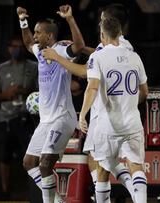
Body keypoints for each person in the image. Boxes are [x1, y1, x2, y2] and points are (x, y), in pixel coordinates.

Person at [42, 3, 139, 201]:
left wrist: (57, 57)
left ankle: (130, 192)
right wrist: (84, 47)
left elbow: (85, 72)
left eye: (103, 18)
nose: (99, 22)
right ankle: (112, 194)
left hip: (104, 112)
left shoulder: (107, 50)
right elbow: (98, 53)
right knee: (98, 160)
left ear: (112, 23)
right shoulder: (124, 46)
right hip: (122, 113)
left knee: (101, 161)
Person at [17, 4, 85, 203]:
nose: (35, 36)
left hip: (62, 117)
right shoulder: (40, 50)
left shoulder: (61, 50)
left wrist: (70, 19)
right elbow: (28, 42)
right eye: (35, 32)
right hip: (45, 120)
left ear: (49, 36)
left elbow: (79, 46)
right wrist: (23, 20)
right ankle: (58, 200)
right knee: (29, 163)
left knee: (46, 164)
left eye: (39, 32)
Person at [79, 17, 148, 203]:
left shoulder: (98, 57)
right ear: (120, 33)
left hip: (108, 125)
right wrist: (130, 103)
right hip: (132, 123)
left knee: (102, 171)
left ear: (102, 35)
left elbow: (92, 87)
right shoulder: (135, 57)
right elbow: (144, 92)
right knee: (136, 167)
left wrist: (83, 114)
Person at [0, 36, 38, 198]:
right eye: (14, 46)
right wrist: (6, 94)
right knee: (4, 156)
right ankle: (5, 190)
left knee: (30, 155)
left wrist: (26, 91)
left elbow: (43, 90)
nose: (17, 50)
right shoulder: (2, 68)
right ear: (9, 48)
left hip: (26, 117)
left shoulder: (34, 66)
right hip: (6, 118)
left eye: (20, 47)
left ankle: (32, 189)